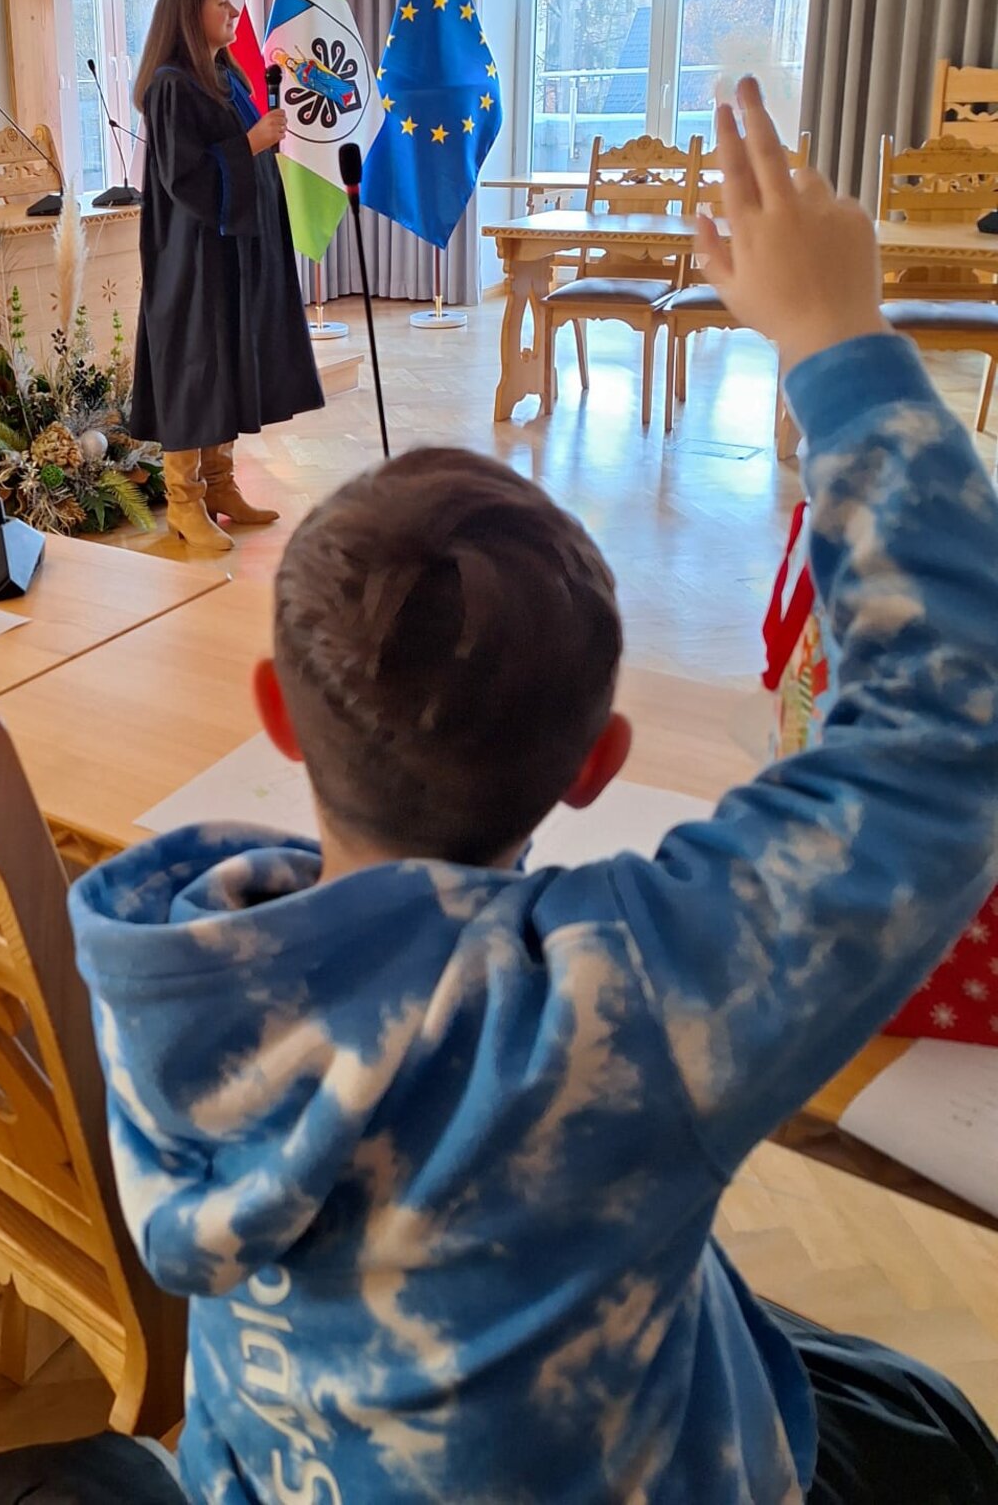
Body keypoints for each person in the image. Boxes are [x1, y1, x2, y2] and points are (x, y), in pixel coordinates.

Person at [71, 81, 998, 1505]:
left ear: (279, 717)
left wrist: (834, 340)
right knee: (931, 1430)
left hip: (264, 1478)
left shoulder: (162, 963)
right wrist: (840, 338)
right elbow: (945, 730)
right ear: (595, 765)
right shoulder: (635, 1001)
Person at [129, 0, 323, 555]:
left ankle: (220, 484)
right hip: (192, 259)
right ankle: (183, 503)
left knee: (229, 362)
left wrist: (256, 144)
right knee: (195, 368)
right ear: (190, 11)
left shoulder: (223, 74)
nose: (234, 12)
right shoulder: (171, 86)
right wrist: (251, 142)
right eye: (221, 2)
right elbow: (183, 176)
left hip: (233, 250)